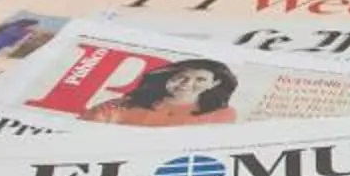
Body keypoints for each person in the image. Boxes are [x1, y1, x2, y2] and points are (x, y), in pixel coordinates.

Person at [82, 57, 239, 129]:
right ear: (167, 78)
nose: (187, 84)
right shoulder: (118, 107)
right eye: (181, 77)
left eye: (200, 79)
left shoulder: (223, 114)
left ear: (214, 84)